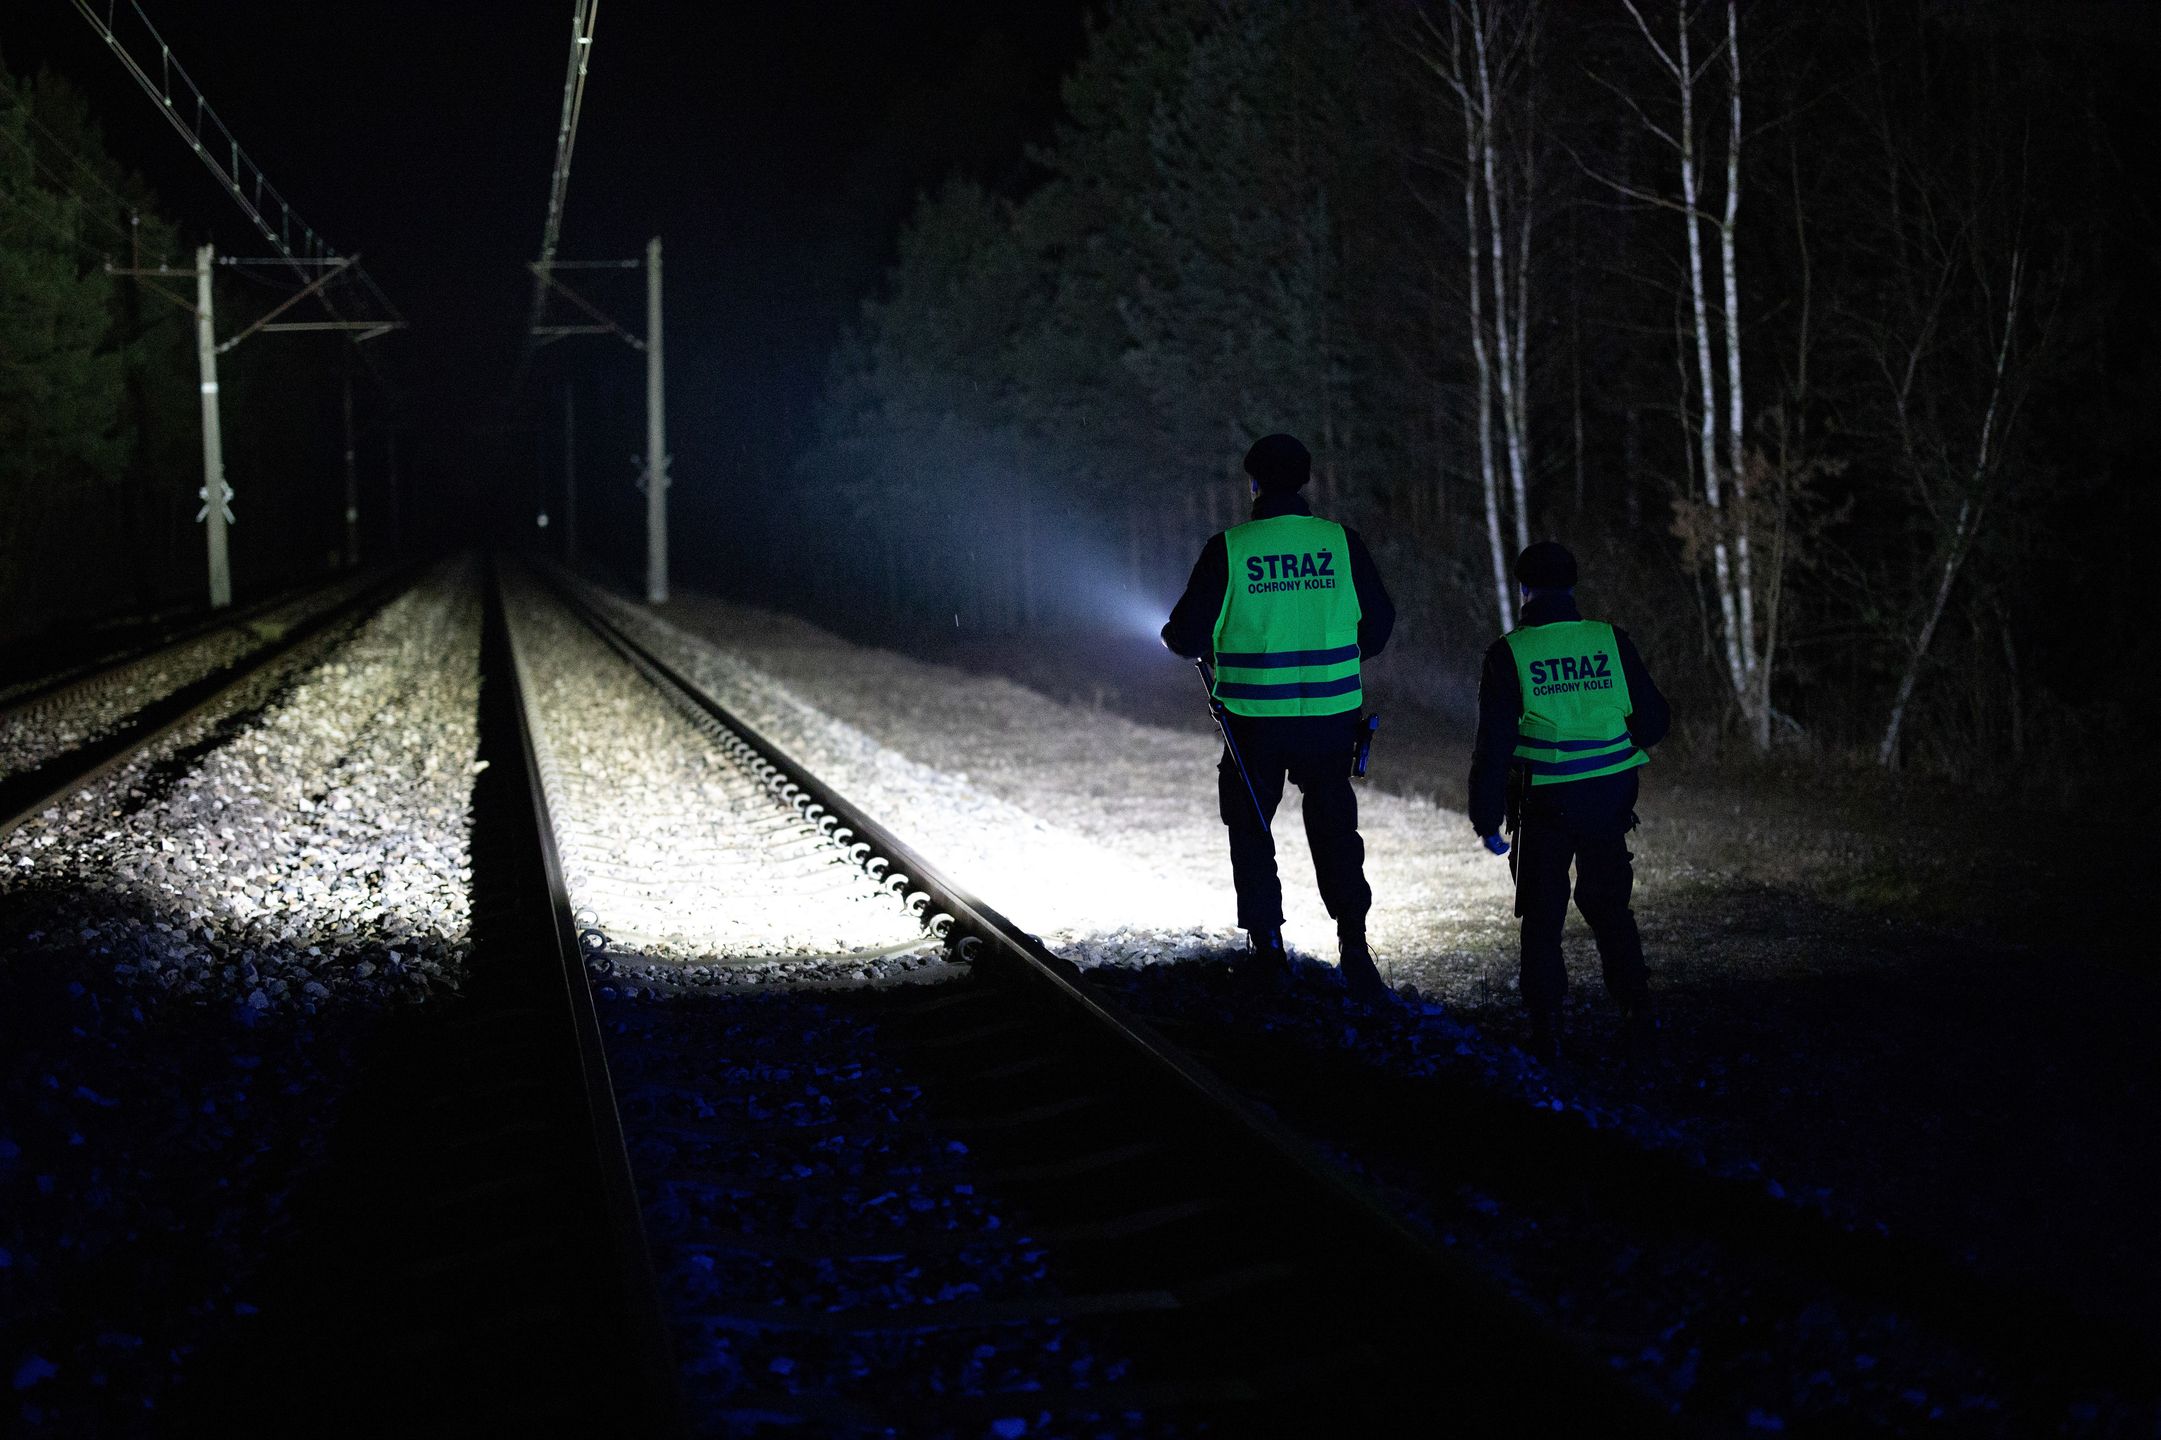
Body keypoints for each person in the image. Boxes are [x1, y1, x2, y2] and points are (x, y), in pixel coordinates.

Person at [1161, 433, 1396, 1003]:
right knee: (1336, 828)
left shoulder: (1230, 548)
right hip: (1331, 721)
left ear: (1255, 484)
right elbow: (1381, 623)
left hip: (1253, 724)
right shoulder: (1342, 543)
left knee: (1250, 830)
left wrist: (1190, 642)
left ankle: (1268, 952)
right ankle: (1355, 947)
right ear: (1305, 482)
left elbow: (1185, 636)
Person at [1469, 541, 1669, 1062]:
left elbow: (1493, 747)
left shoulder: (1509, 653)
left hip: (1546, 805)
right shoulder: (1610, 641)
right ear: (1573, 586)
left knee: (1542, 917)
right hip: (1608, 800)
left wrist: (1487, 819)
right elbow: (1654, 721)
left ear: (1523, 589)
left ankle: (1547, 1028)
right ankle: (1638, 1013)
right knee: (1609, 908)